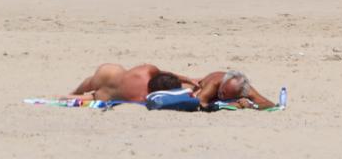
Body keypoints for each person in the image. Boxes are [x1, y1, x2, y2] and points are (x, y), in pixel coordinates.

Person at [69, 64, 198, 102]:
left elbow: (163, 73)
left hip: (108, 73)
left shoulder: (146, 70)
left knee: (91, 82)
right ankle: (70, 96)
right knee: (90, 97)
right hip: (103, 97)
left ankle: (75, 91)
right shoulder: (142, 98)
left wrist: (186, 78)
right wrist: (189, 82)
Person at [190, 69, 276, 110]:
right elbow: (199, 103)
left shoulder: (244, 89)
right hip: (196, 86)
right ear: (223, 83)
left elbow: (269, 104)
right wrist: (234, 105)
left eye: (228, 95)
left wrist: (252, 106)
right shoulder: (215, 83)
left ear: (239, 93)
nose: (223, 97)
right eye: (222, 92)